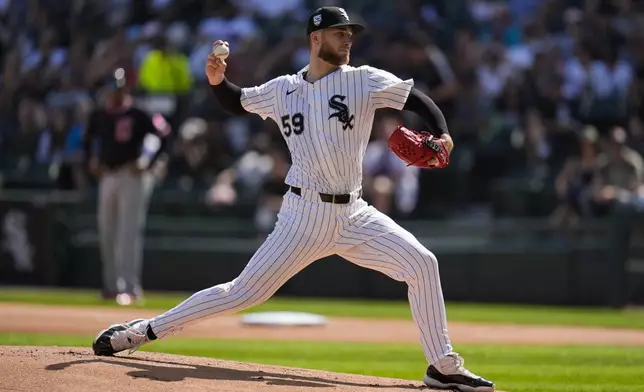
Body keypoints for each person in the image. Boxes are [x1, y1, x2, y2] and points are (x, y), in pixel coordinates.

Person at [91, 7, 495, 391]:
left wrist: (442, 133)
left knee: (423, 263)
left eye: (350, 34)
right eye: (340, 33)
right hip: (303, 215)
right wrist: (217, 81)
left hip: (355, 213)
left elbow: (415, 99)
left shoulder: (363, 79)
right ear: (315, 38)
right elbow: (237, 101)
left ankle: (442, 366)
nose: (348, 40)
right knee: (242, 293)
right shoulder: (283, 89)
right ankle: (143, 331)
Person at [83, 69, 171, 305]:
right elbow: (89, 139)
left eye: (118, 89)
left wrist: (147, 161)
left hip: (131, 176)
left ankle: (130, 287)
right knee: (107, 231)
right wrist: (92, 159)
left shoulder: (138, 113)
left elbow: (162, 133)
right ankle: (111, 285)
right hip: (108, 175)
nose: (115, 94)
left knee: (128, 232)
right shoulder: (100, 114)